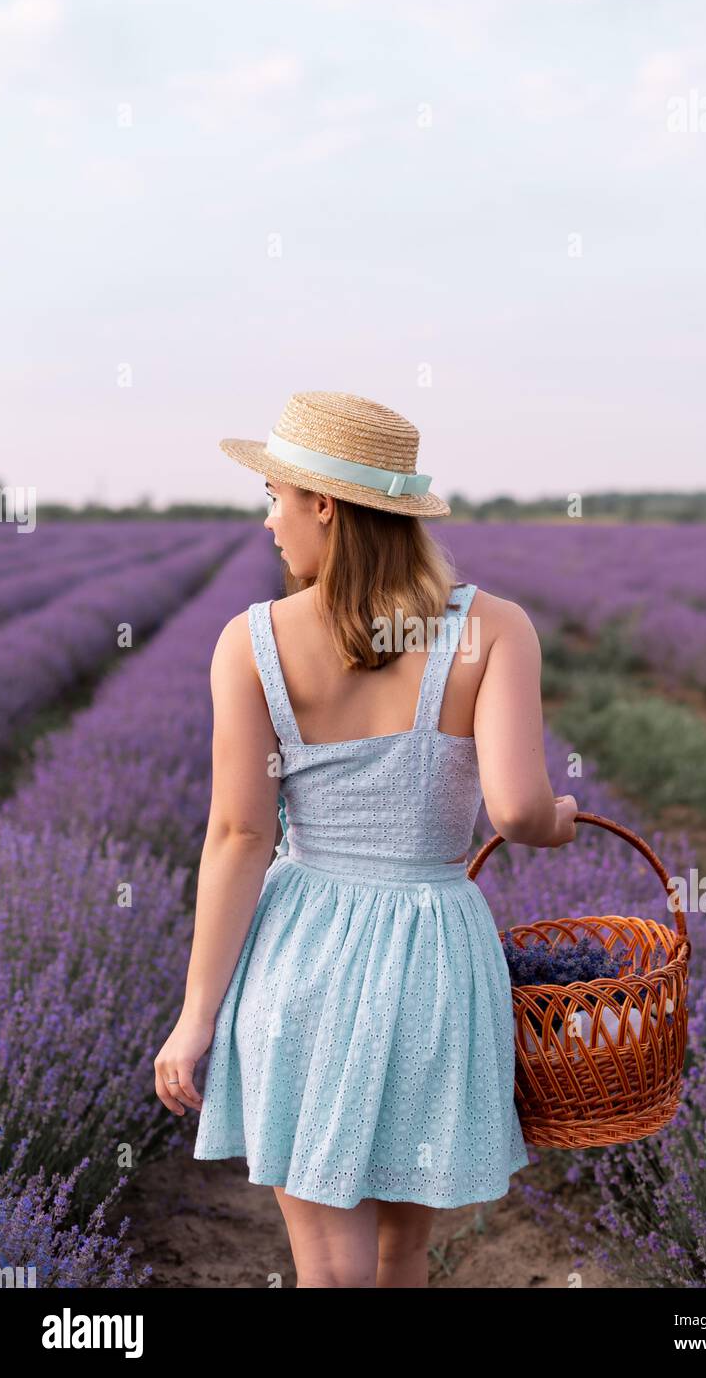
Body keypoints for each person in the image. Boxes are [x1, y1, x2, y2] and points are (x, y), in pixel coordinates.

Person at [154, 390, 578, 1288]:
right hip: (431, 960)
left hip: (300, 958)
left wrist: (197, 1019)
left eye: (275, 496)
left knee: (326, 1264)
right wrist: (560, 821)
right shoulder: (494, 628)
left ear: (324, 505)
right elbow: (515, 812)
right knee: (402, 1254)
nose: (269, 522)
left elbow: (237, 834)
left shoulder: (252, 643)